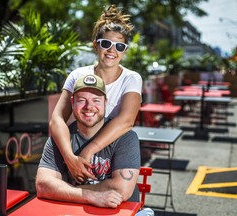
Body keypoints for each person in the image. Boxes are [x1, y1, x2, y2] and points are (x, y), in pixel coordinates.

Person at [49, 4, 142, 184]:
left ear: (124, 50)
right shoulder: (78, 75)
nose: (112, 50)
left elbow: (126, 121)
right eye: (106, 43)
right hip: (76, 151)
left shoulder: (131, 79)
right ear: (95, 45)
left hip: (113, 155)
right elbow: (57, 119)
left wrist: (88, 151)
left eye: (119, 46)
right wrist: (70, 158)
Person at [36, 74, 141, 208]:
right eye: (81, 100)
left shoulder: (125, 138)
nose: (89, 106)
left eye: (96, 100)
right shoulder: (61, 138)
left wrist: (63, 190)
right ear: (72, 102)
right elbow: (43, 185)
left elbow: (121, 189)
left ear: (105, 102)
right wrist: (90, 196)